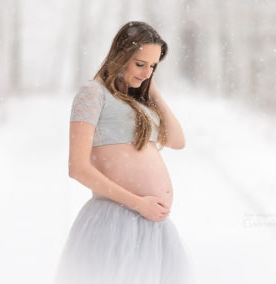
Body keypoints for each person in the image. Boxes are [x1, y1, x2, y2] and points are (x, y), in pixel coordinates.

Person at [53, 21, 194, 284]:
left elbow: (177, 140)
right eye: (140, 64)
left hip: (152, 226)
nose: (146, 72)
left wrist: (150, 87)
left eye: (153, 66)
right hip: (115, 222)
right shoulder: (92, 94)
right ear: (121, 56)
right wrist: (139, 204)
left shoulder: (139, 101)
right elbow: (78, 168)